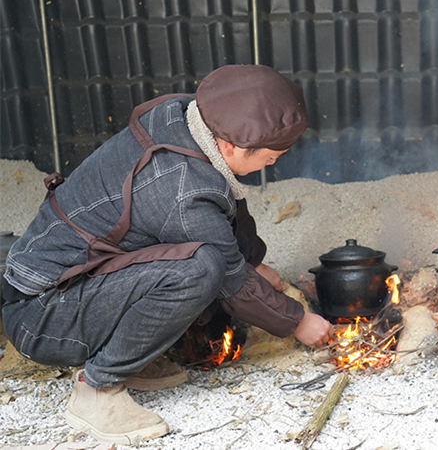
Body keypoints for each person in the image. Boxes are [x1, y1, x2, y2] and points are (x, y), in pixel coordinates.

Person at [0, 65, 334, 444]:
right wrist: (297, 322)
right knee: (200, 269)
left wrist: (254, 260)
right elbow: (231, 281)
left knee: (202, 259)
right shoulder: (179, 188)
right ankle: (97, 390)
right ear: (230, 145)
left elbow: (224, 202)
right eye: (271, 158)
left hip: (75, 285)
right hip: (41, 315)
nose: (273, 165)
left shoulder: (189, 118)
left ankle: (129, 357)